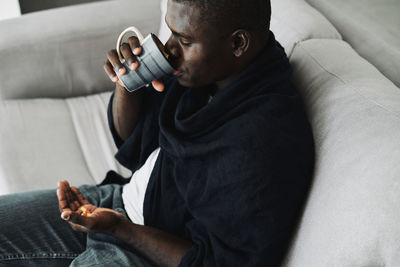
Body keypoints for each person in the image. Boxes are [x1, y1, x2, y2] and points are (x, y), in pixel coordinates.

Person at [0, 0, 314, 266]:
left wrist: (120, 230)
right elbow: (133, 143)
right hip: (116, 203)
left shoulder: (262, 141)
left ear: (237, 43)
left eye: (185, 40)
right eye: (170, 33)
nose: (169, 50)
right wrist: (128, 84)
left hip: (147, 249)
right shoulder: (212, 72)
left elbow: (214, 260)